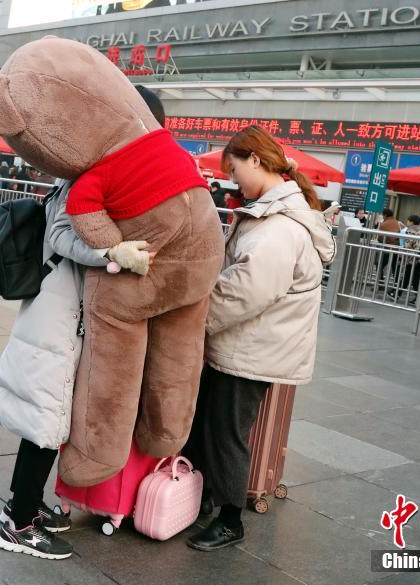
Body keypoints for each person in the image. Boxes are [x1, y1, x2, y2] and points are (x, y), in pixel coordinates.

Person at [183, 126, 335, 551]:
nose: (234, 180)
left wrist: (195, 319)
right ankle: (205, 500)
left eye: (235, 169)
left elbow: (245, 290)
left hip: (252, 349)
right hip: (250, 345)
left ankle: (231, 519)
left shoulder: (279, 227)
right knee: (213, 425)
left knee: (226, 431)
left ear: (256, 160)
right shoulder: (275, 214)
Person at [0, 180, 150, 560]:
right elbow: (62, 236)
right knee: (48, 418)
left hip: (53, 305)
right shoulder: (82, 182)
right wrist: (112, 253)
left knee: (42, 417)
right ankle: (19, 527)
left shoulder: (75, 179)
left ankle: (19, 504)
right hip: (57, 313)